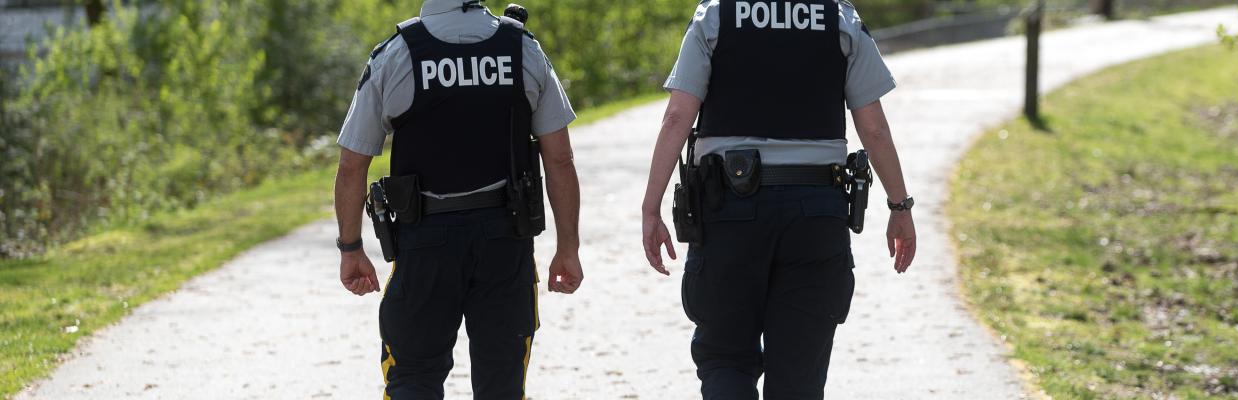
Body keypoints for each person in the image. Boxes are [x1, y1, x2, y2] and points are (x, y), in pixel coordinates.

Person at [639, 0, 917, 398]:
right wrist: (899, 206)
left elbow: (677, 117)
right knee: (799, 377)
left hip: (727, 210)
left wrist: (651, 207)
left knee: (726, 361)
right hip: (816, 212)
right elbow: (873, 128)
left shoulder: (716, 14)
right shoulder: (838, 17)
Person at [331, 1, 584, 398]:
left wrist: (351, 247)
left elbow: (352, 164)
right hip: (506, 238)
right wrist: (568, 246)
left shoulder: (396, 53)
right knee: (502, 384)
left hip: (425, 241)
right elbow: (560, 158)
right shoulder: (522, 48)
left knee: (413, 377)